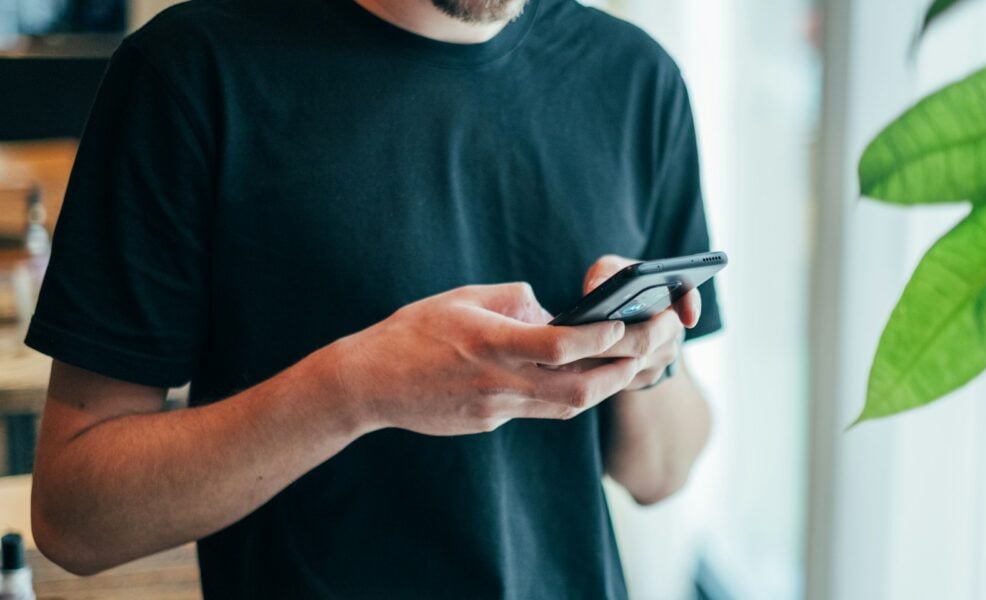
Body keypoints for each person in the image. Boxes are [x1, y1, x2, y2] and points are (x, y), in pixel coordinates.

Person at [24, 0, 722, 597]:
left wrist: (647, 362)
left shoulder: (637, 79)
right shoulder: (188, 71)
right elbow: (78, 516)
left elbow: (661, 473)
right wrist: (356, 390)